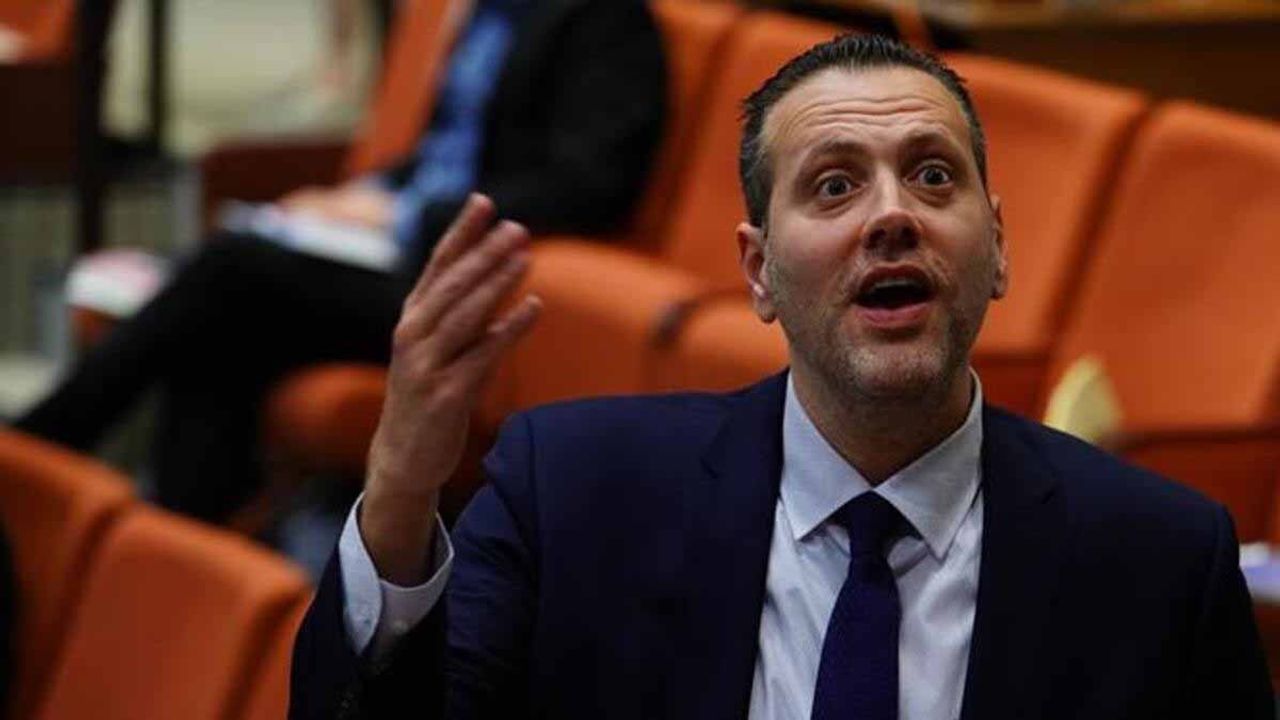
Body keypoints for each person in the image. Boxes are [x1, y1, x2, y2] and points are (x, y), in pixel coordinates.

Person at [289, 35, 1273, 719]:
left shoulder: (1157, 558)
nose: (892, 215)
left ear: (1000, 248)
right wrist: (401, 494)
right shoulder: (576, 493)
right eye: (834, 185)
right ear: (757, 272)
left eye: (933, 176)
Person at [15, 0, 665, 523]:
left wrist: (407, 214)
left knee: (230, 270)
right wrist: (361, 196)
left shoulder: (603, 18)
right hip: (393, 245)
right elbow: (447, 147)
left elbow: (587, 185)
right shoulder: (485, 13)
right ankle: (187, 536)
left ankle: (40, 443)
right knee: (222, 329)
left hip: (457, 278)